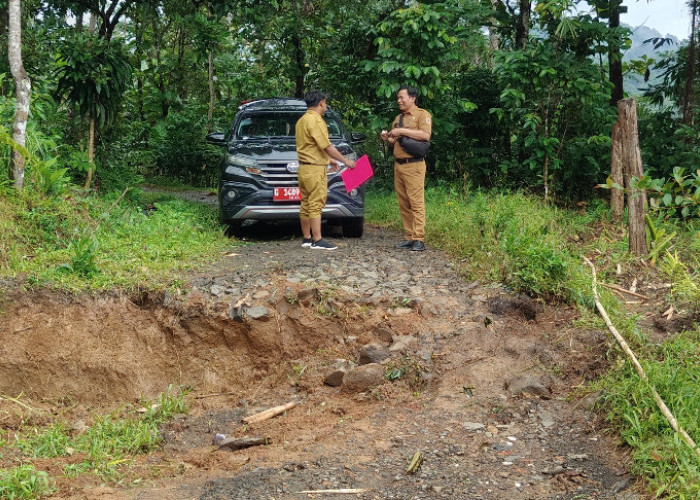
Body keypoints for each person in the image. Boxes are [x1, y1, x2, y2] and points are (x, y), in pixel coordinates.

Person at [295, 90, 356, 250]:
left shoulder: (301, 120)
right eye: (325, 103)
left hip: (304, 168)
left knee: (306, 204)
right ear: (321, 102)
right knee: (316, 204)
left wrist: (330, 160)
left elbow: (310, 146)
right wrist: (345, 161)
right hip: (314, 170)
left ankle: (307, 238)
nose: (325, 106)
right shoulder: (315, 120)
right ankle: (318, 240)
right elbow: (326, 145)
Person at [380, 86, 432, 252]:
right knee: (404, 203)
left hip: (414, 165)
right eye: (398, 98)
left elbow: (425, 136)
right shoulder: (398, 118)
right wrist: (387, 138)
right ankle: (409, 237)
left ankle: (419, 238)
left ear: (413, 98)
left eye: (402, 97)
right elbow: (394, 142)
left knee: (416, 202)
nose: (399, 100)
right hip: (399, 165)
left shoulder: (423, 115)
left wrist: (401, 131)